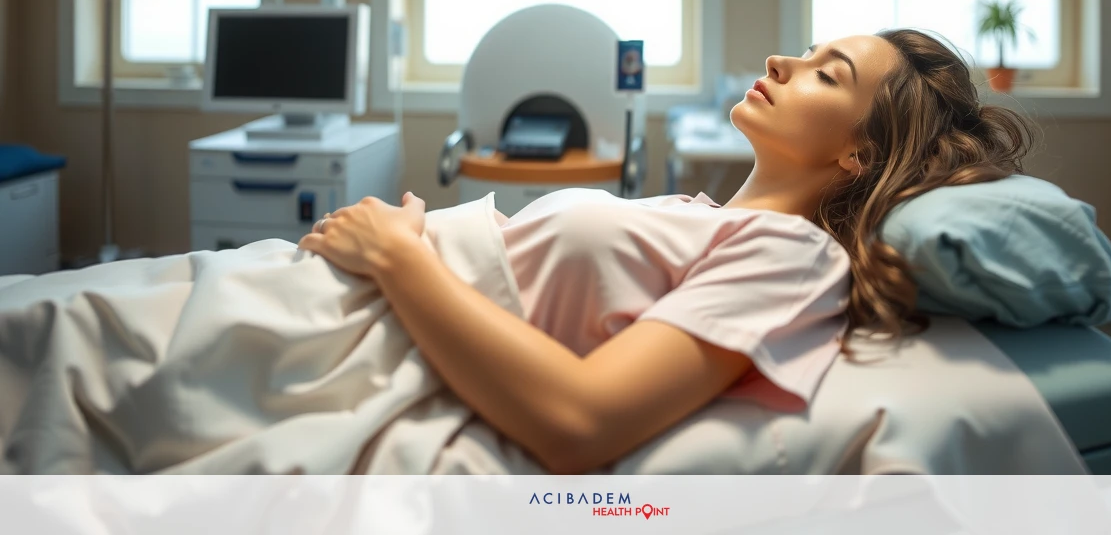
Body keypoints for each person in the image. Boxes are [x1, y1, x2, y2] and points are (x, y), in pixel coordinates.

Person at [298, 29, 1037, 475]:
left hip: (352, 333)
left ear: (859, 153)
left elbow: (580, 424)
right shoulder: (691, 215)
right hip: (320, 298)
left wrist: (397, 256)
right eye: (807, 52)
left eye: (825, 73)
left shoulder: (793, 256)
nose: (781, 59)